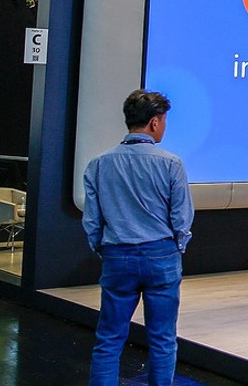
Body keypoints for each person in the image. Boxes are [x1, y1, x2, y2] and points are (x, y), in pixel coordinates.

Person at [83, 90, 194, 386]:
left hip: (117, 255)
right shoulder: (171, 163)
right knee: (163, 339)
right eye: (164, 121)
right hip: (162, 256)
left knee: (109, 339)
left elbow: (92, 220)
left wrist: (103, 248)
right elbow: (182, 217)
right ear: (155, 122)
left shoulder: (98, 164)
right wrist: (176, 247)